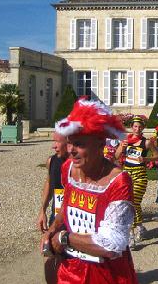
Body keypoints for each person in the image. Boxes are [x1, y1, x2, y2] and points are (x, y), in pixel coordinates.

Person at [42, 98, 137, 284]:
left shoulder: (118, 181)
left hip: (107, 274)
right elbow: (67, 206)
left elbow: (112, 244)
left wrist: (64, 237)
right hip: (70, 270)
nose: (71, 151)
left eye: (79, 144)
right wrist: (52, 229)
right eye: (69, 143)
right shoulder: (68, 168)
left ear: (101, 144)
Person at [116, 116, 158, 247]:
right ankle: (139, 226)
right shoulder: (126, 141)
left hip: (140, 174)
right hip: (127, 174)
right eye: (135, 126)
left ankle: (131, 235)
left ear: (143, 128)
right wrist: (122, 148)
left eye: (140, 127)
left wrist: (146, 159)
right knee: (131, 203)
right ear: (131, 127)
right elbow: (116, 156)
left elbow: (157, 156)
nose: (137, 129)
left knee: (134, 202)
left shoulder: (146, 143)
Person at [37, 133, 70, 283]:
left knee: (71, 258)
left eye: (57, 141)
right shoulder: (52, 161)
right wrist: (42, 210)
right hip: (55, 216)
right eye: (53, 141)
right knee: (48, 252)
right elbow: (49, 184)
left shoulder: (81, 164)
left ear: (69, 142)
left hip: (74, 219)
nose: (53, 145)